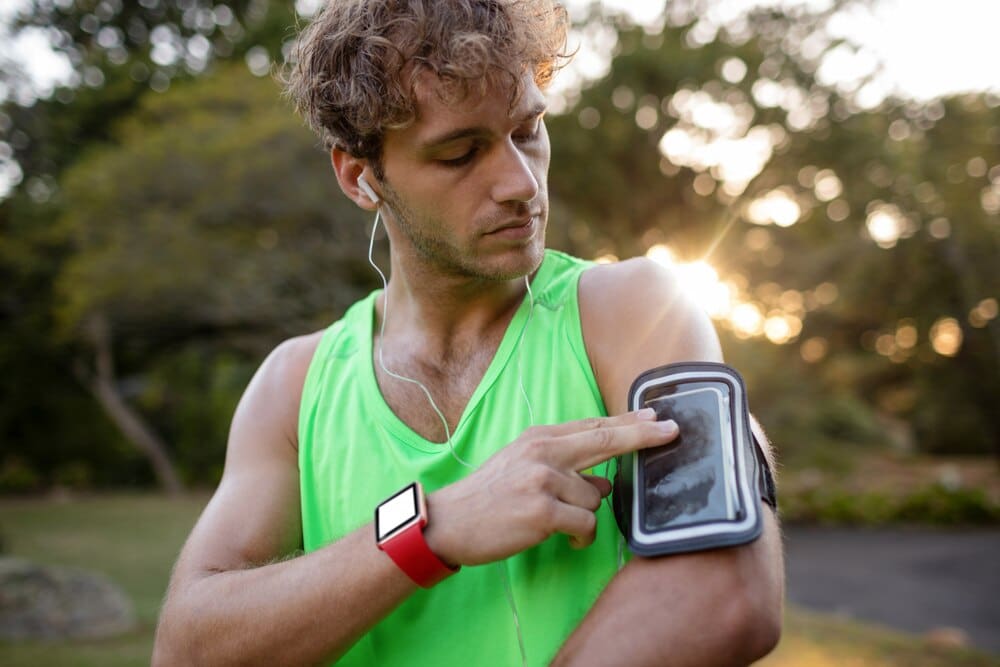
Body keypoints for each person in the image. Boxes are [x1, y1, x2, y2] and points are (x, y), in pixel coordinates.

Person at [152, 1, 784, 665]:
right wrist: (434, 527)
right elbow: (187, 649)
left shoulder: (633, 311)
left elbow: (727, 592)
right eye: (460, 153)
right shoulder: (294, 385)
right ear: (360, 178)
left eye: (529, 129)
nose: (520, 183)